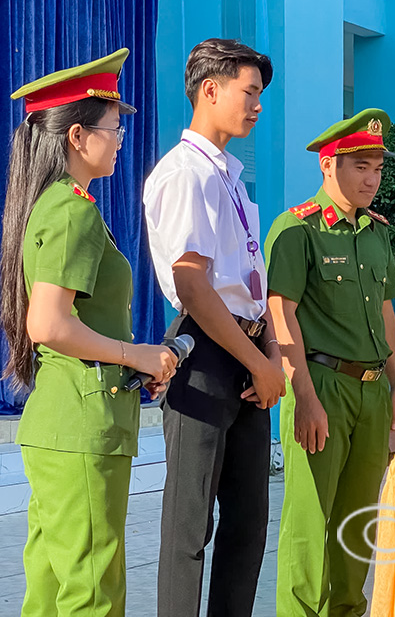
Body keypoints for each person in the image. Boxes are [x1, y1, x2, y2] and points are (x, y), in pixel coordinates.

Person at [0, 48, 178, 617]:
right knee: (92, 594)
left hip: (66, 421)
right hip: (82, 426)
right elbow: (49, 324)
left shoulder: (54, 205)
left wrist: (132, 362)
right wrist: (138, 355)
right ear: (77, 136)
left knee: (52, 591)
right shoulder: (71, 209)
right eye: (114, 126)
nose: (122, 137)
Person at [142, 38, 285, 616]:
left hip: (247, 352)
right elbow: (194, 285)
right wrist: (256, 363)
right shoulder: (185, 174)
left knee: (248, 524)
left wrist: (270, 356)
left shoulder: (230, 177)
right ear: (210, 89)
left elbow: (251, 280)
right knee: (189, 527)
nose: (257, 106)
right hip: (205, 352)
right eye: (249, 92)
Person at [264, 108, 395, 617]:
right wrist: (302, 396)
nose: (372, 179)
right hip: (322, 385)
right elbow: (280, 313)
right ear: (329, 165)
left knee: (357, 520)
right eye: (360, 167)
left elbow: (386, 311)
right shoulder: (298, 229)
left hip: (373, 391)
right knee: (309, 521)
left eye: (378, 168)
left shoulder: (376, 232)